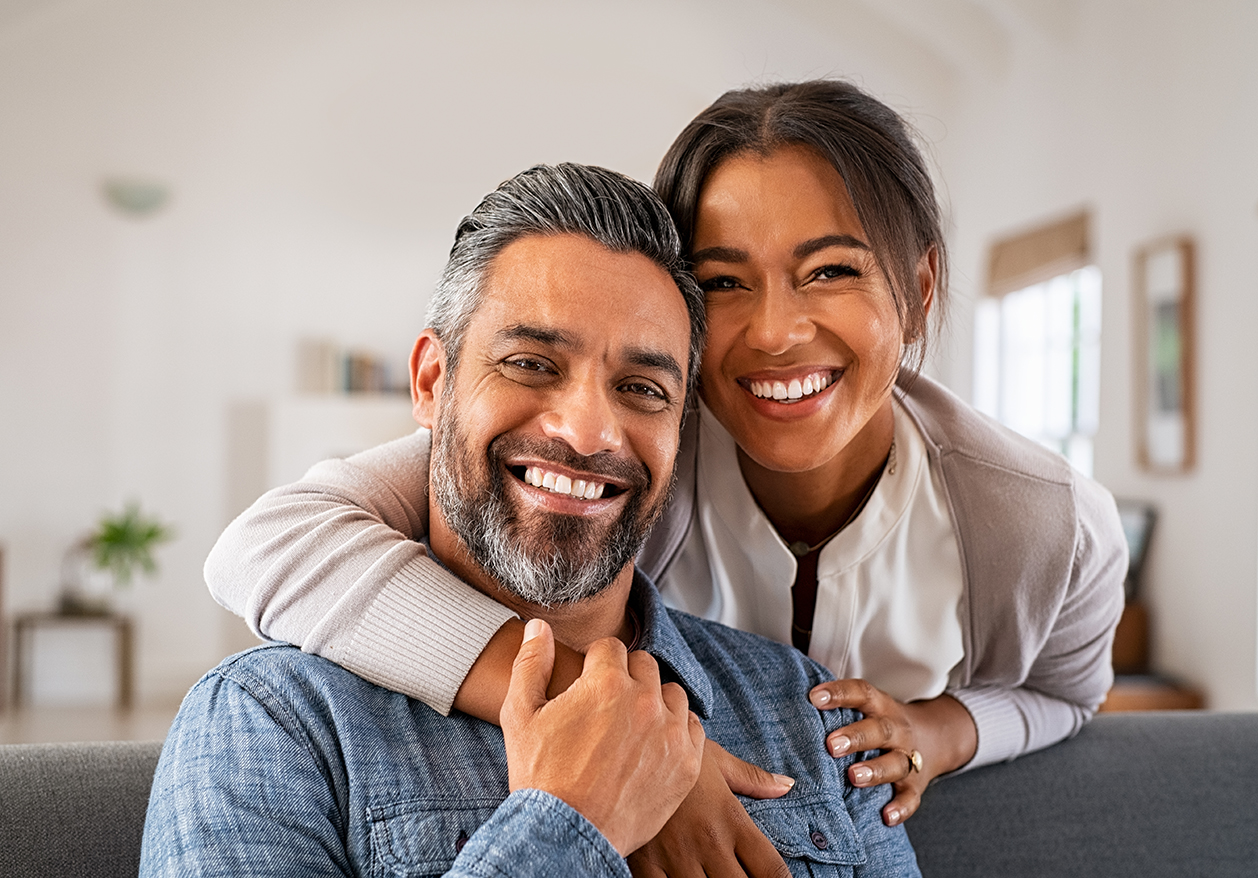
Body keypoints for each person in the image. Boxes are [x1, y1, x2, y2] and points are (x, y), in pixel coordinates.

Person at [206, 80, 1126, 836]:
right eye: (724, 282)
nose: (775, 332)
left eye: (832, 270)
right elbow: (271, 544)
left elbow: (1066, 695)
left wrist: (945, 728)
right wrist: (624, 729)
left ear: (919, 291)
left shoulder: (1041, 521)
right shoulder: (632, 448)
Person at [141, 163, 921, 878]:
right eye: (532, 365)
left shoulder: (808, 713)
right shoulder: (272, 724)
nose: (587, 432)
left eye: (643, 388)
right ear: (432, 383)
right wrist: (566, 824)